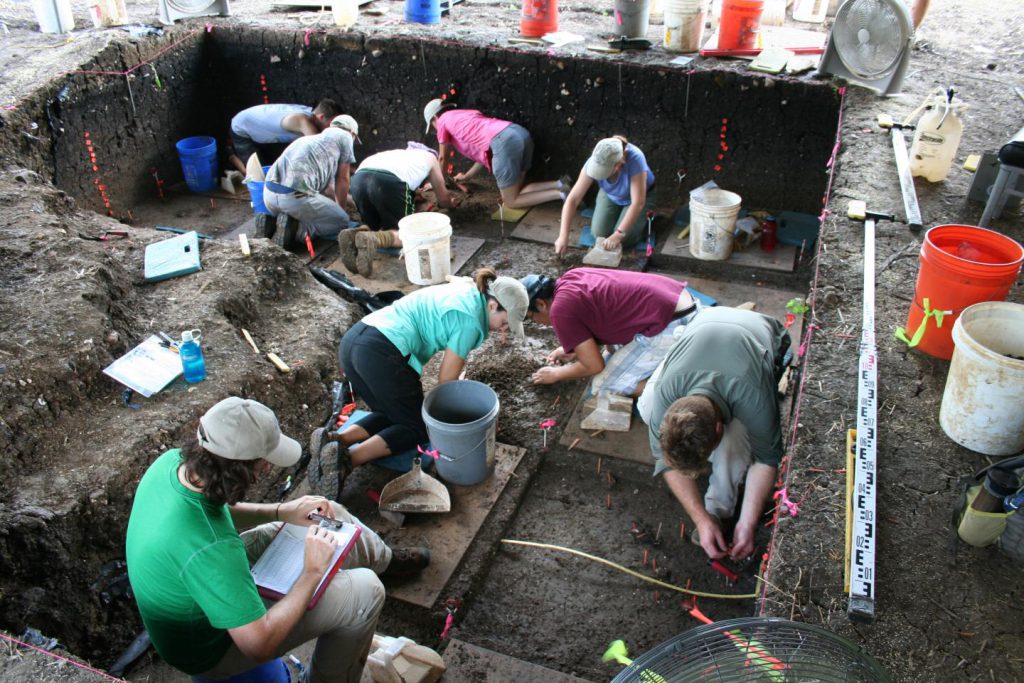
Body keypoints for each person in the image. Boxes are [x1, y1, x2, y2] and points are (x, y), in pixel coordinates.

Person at [125, 397, 428, 682]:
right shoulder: (212, 547)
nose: (267, 468)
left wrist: (283, 511)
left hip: (196, 587)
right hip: (209, 649)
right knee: (365, 590)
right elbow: (259, 645)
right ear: (238, 468)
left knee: (327, 512)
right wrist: (311, 572)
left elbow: (218, 508)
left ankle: (384, 560)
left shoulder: (174, 465)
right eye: (263, 462)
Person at [309, 269, 529, 498]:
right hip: (382, 352)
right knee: (418, 426)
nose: (503, 329)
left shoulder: (470, 289)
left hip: (356, 339)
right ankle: (347, 461)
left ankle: (336, 440)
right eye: (504, 322)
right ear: (492, 306)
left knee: (393, 412)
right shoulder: (472, 322)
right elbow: (446, 382)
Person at [637, 307, 791, 562]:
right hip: (705, 325)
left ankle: (720, 509)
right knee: (646, 407)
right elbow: (665, 461)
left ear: (719, 428)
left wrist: (747, 524)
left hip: (758, 332)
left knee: (735, 449)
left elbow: (767, 459)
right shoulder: (666, 394)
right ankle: (710, 520)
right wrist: (700, 520)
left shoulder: (753, 397)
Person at [523, 267, 699, 397]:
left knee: (605, 385)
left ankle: (688, 391)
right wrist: (572, 349)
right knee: (612, 350)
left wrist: (556, 374)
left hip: (674, 324)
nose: (536, 322)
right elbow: (602, 316)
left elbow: (594, 366)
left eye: (532, 317)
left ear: (540, 304)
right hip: (682, 302)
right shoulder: (570, 277)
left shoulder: (559, 311)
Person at [340, 142, 462, 277]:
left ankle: (355, 234)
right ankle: (375, 239)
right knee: (409, 235)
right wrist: (451, 204)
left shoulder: (397, 154)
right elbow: (443, 199)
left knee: (375, 225)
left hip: (359, 180)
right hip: (388, 181)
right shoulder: (431, 158)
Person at [422, 99, 566, 209]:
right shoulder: (465, 114)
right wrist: (467, 176)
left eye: (433, 128)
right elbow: (484, 153)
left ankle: (561, 194)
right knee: (519, 191)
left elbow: (442, 158)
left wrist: (439, 184)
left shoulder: (442, 122)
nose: (436, 131)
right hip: (519, 133)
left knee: (510, 202)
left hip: (504, 142)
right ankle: (561, 184)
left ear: (435, 118)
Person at [262, 114, 359, 249]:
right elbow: (343, 179)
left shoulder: (311, 142)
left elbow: (329, 189)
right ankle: (299, 231)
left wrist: (354, 202)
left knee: (311, 206)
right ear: (352, 133)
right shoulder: (345, 136)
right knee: (341, 221)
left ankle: (274, 223)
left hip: (269, 197)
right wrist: (341, 211)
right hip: (294, 198)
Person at [555, 136, 655, 258]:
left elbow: (637, 203)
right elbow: (573, 199)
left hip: (637, 197)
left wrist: (618, 234)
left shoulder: (635, 158)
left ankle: (642, 225)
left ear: (619, 165)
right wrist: (563, 236)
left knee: (625, 238)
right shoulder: (597, 158)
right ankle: (620, 221)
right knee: (599, 234)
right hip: (611, 194)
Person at [227, 99, 343, 176]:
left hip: (260, 130)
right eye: (333, 123)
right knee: (255, 175)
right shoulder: (302, 121)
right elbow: (320, 152)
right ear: (321, 117)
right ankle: (231, 156)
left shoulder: (311, 116)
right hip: (241, 128)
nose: (333, 128)